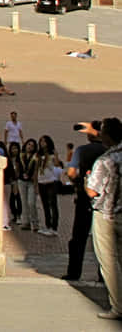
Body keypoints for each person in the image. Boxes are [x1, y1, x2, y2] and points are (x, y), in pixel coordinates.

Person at [85, 117, 122, 320]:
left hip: (106, 214)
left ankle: (118, 306)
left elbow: (92, 191)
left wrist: (85, 181)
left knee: (108, 261)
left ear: (106, 136)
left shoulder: (105, 160)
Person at [63, 120, 107, 281]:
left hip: (84, 197)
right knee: (103, 239)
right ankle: (104, 275)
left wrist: (76, 183)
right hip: (105, 200)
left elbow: (71, 172)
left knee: (78, 237)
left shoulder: (82, 151)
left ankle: (74, 272)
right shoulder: (109, 151)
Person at [36, 135, 61, 236]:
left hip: (51, 181)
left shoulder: (52, 154)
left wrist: (56, 156)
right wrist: (35, 183)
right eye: (41, 141)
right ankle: (48, 226)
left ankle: (54, 227)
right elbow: (36, 168)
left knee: (53, 205)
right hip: (41, 181)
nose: (42, 144)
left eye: (44, 141)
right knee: (45, 205)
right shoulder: (38, 155)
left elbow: (57, 165)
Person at [18, 138, 40, 231]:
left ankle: (35, 223)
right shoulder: (21, 156)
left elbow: (36, 170)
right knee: (24, 202)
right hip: (22, 181)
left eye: (32, 146)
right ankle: (25, 222)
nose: (30, 147)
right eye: (28, 145)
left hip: (31, 182)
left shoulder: (36, 157)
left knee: (31, 202)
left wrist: (36, 185)